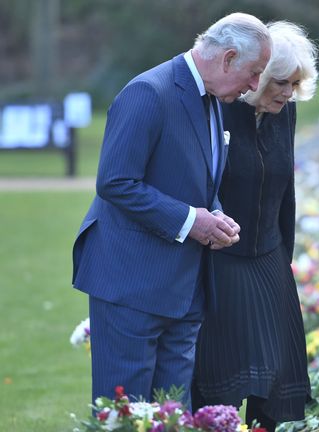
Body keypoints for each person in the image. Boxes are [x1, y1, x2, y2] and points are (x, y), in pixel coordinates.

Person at [71, 13, 272, 409]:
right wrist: (190, 220)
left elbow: (195, 178)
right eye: (254, 73)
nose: (254, 86)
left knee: (173, 413)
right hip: (131, 283)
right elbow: (115, 181)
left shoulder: (213, 97)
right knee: (126, 413)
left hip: (184, 289)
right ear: (228, 57)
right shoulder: (148, 91)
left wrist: (214, 215)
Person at [192, 21, 319, 431]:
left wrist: (286, 260)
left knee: (279, 382)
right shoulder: (219, 107)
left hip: (269, 256)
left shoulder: (286, 114)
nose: (288, 93)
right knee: (223, 379)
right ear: (257, 75)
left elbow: (287, 191)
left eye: (295, 84)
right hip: (221, 260)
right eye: (281, 82)